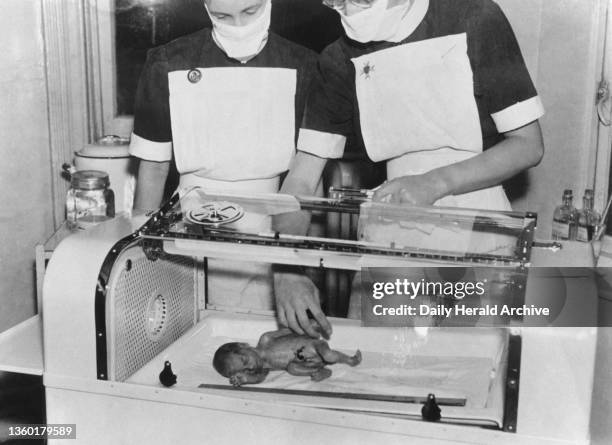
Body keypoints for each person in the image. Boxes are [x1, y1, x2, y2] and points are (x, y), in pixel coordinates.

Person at [274, 0, 545, 336]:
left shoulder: (474, 18)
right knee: (387, 365)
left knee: (472, 363)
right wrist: (287, 266)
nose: (348, 7)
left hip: (480, 223)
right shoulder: (337, 59)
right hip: (392, 227)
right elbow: (303, 175)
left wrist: (434, 183)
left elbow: (527, 145)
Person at [129, 0, 317, 309]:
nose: (239, 26)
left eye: (251, 12)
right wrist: (142, 253)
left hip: (273, 227)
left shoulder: (303, 64)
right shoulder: (168, 62)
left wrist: (292, 260)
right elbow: (153, 169)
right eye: (222, 16)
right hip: (187, 226)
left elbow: (307, 179)